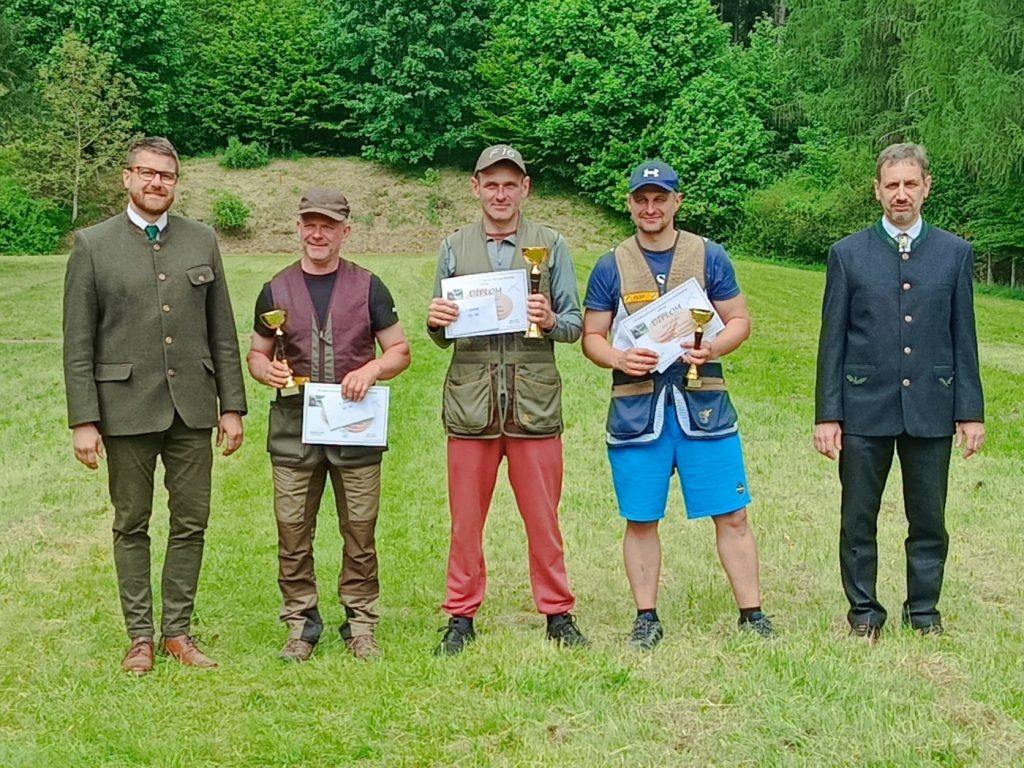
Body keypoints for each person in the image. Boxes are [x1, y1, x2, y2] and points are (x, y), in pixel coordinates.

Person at [63, 136, 247, 674]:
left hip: (193, 408)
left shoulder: (202, 240)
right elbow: (78, 342)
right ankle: (140, 637)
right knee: (131, 523)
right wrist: (84, 419)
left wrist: (231, 406)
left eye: (166, 175)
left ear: (176, 183)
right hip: (124, 409)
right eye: (146, 173)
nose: (156, 182)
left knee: (191, 522)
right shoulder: (93, 245)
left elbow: (222, 331)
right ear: (127, 177)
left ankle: (178, 633)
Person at [581, 160, 774, 650]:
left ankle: (752, 615)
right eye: (642, 199)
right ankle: (646, 617)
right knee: (641, 518)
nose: (651, 208)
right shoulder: (611, 264)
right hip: (636, 410)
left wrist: (713, 347)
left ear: (676, 202)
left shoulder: (709, 255)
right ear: (630, 205)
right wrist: (620, 357)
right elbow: (592, 336)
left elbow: (739, 320)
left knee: (733, 514)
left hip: (704, 407)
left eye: (660, 198)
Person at [814, 143, 985, 642]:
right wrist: (828, 415)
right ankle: (864, 613)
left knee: (929, 517)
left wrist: (970, 411)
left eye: (911, 184)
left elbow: (964, 336)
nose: (901, 194)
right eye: (892, 185)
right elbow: (832, 340)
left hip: (932, 404)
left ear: (926, 187)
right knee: (857, 517)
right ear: (877, 190)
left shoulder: (954, 254)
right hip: (863, 405)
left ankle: (924, 612)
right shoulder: (847, 255)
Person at [426, 144, 586, 655]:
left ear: (525, 188)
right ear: (475, 188)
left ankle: (558, 613)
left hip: (532, 403)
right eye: (491, 184)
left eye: (509, 184)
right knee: (465, 522)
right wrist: (436, 322)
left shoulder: (551, 245)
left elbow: (575, 325)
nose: (500, 194)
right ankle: (460, 615)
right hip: (471, 402)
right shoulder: (453, 246)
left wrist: (550, 320)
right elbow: (441, 332)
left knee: (544, 518)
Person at [247, 188, 411, 661]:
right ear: (298, 227)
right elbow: (256, 353)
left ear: (345, 232)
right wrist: (266, 371)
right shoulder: (275, 289)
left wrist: (372, 369)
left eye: (329, 226)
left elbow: (400, 351)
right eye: (310, 224)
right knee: (292, 530)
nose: (318, 234)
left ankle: (360, 623)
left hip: (354, 428)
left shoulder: (370, 287)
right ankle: (301, 624)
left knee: (360, 530)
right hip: (292, 429)